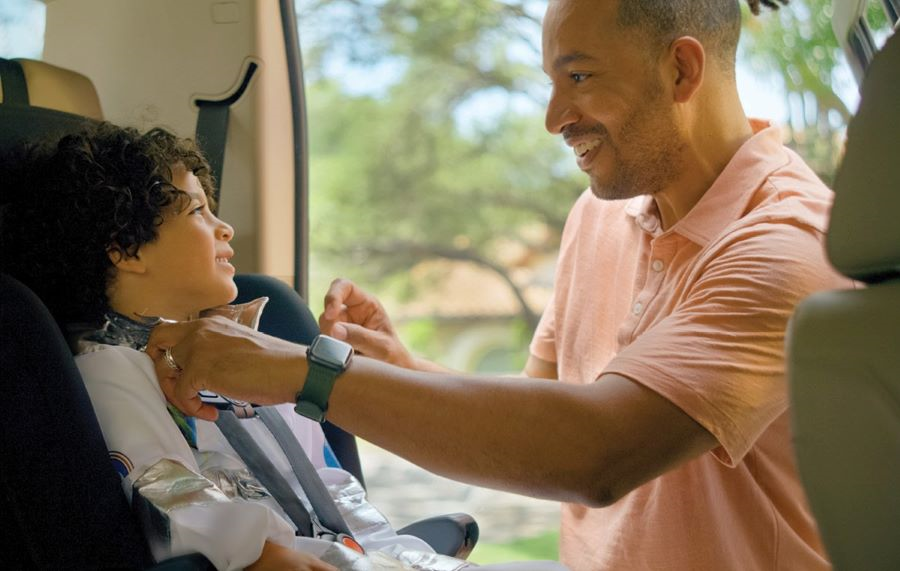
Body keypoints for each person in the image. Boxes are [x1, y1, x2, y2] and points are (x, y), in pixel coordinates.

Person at [150, 0, 853, 568]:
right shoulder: (599, 217)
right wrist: (400, 367)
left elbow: (593, 454)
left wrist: (302, 373)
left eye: (578, 78)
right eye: (551, 82)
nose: (554, 118)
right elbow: (543, 413)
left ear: (680, 69)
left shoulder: (787, 244)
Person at [1, 124, 565, 571]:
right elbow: (166, 492)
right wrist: (258, 553)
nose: (224, 229)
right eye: (198, 211)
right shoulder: (109, 371)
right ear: (126, 249)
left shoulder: (236, 351)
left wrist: (387, 545)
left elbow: (320, 474)